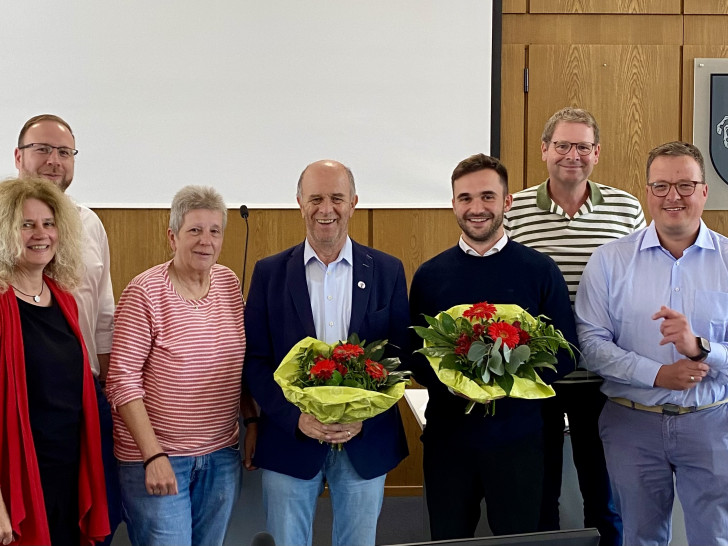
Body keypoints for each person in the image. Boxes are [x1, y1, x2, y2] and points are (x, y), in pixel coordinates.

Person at [409, 153, 578, 540]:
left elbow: (565, 353)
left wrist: (509, 379)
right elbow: (414, 355)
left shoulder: (539, 270)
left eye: (487, 196)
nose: (477, 208)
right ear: (453, 204)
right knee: (449, 539)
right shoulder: (431, 275)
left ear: (507, 202)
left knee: (520, 539)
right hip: (449, 442)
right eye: (465, 198)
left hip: (521, 441)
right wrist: (455, 382)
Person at [244, 159, 409, 546]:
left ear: (353, 202)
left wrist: (362, 415)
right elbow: (255, 362)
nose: (326, 209)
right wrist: (295, 418)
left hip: (365, 441)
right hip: (290, 438)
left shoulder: (387, 270)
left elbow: (400, 357)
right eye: (315, 198)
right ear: (299, 202)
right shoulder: (269, 273)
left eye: (336, 198)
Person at [575, 141, 728, 546]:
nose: (672, 196)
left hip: (713, 423)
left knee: (714, 537)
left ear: (704, 191)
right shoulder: (609, 261)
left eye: (684, 185)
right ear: (647, 192)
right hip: (631, 423)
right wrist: (658, 373)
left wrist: (702, 348)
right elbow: (590, 342)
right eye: (660, 186)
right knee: (639, 538)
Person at [505, 107, 645, 545]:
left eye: (582, 146)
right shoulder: (515, 209)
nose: (572, 155)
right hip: (536, 377)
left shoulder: (626, 209)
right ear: (544, 150)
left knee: (605, 494)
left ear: (597, 153)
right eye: (562, 145)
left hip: (603, 378)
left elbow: (641, 284)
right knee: (540, 493)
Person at [105, 185, 257, 546]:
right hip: (159, 456)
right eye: (195, 230)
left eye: (214, 231)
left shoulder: (228, 284)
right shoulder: (144, 293)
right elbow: (121, 382)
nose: (206, 241)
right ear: (172, 237)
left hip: (221, 454)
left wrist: (250, 420)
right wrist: (152, 455)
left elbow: (236, 364)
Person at [14, 114, 120, 544]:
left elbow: (103, 320)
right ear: (18, 156)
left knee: (87, 520)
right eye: (43, 149)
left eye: (64, 152)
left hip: (82, 397)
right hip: (20, 400)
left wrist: (106, 396)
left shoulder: (89, 223)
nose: (54, 161)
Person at [0, 177, 109, 546]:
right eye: (26, 224)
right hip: (15, 476)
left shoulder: (63, 300)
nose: (40, 234)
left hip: (66, 474)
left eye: (48, 223)